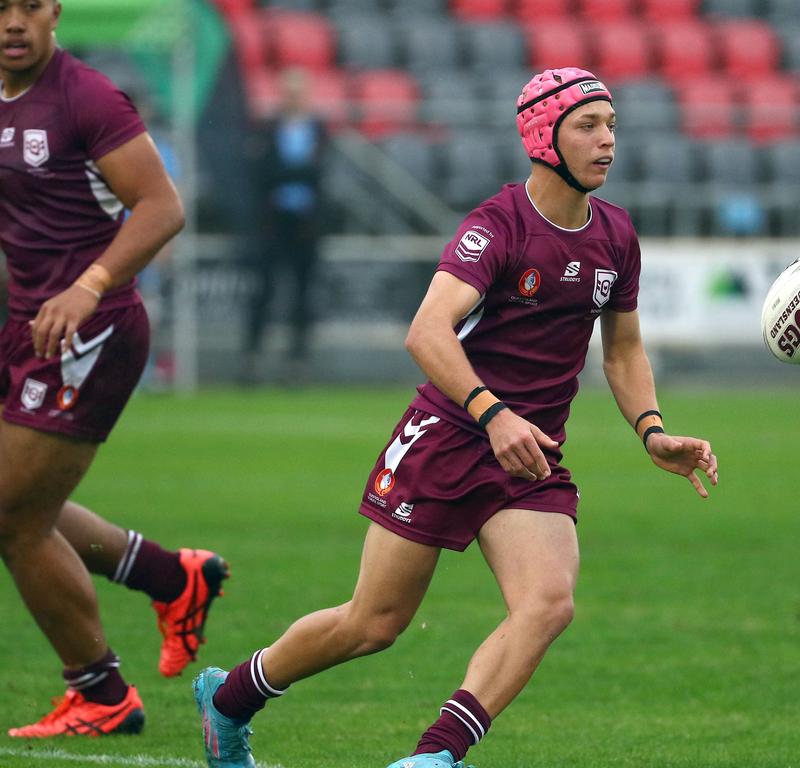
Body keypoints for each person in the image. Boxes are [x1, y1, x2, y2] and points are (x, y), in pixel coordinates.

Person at [193, 67, 718, 768]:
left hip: (527, 456)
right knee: (373, 624)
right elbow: (427, 331)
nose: (607, 141)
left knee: (549, 603)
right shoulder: (497, 226)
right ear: (543, 134)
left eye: (612, 126)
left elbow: (622, 349)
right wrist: (494, 414)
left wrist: (652, 431)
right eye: (589, 125)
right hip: (447, 438)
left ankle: (436, 756)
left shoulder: (617, 236)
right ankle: (228, 700)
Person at [0, 0, 228, 738]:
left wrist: (87, 285)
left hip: (89, 328)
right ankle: (169, 577)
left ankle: (99, 692)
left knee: (11, 516)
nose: (12, 21)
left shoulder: (85, 96)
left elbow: (162, 208)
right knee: (18, 503)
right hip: (26, 326)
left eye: (27, 5)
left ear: (54, 11)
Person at [241, 66, 329, 382]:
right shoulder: (268, 128)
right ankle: (252, 358)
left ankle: (298, 360)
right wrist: (297, 172)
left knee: (302, 294)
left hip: (305, 225)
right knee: (263, 290)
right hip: (272, 224)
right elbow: (262, 174)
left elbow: (320, 175)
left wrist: (288, 173)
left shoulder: (318, 129)